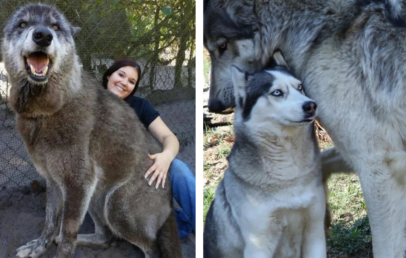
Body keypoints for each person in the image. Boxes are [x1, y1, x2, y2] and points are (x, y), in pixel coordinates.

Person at [102, 59, 195, 238]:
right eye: (121, 75)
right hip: (111, 183)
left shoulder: (139, 105)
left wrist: (166, 157)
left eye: (131, 81)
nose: (124, 83)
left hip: (143, 170)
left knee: (179, 170)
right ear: (108, 75)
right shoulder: (89, 105)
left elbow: (169, 138)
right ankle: (173, 223)